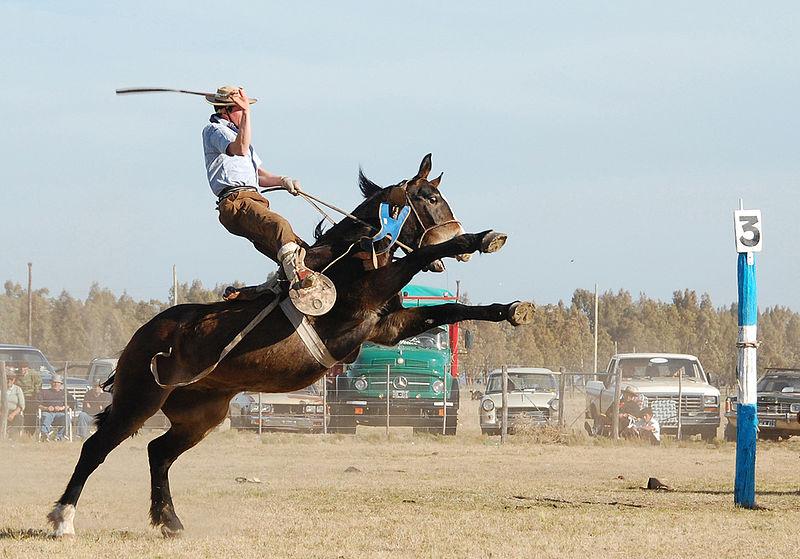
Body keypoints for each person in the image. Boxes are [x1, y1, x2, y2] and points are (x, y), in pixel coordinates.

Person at [202, 85, 311, 296]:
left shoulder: (239, 136)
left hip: (253, 200)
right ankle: (299, 278)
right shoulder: (215, 131)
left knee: (301, 249)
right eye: (240, 109)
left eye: (244, 109)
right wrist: (248, 115)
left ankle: (266, 292)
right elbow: (239, 148)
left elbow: (259, 176)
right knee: (279, 225)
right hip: (236, 202)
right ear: (225, 110)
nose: (243, 112)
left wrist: (284, 181)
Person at [38, 375, 76, 441]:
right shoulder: (44, 392)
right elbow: (38, 404)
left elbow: (72, 404)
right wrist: (46, 408)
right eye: (54, 382)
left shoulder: (65, 393)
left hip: (60, 414)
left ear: (61, 384)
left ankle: (59, 436)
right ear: (51, 383)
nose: (55, 384)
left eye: (58, 383)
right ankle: (44, 435)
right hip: (48, 413)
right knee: (45, 416)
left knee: (67, 417)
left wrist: (62, 408)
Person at [4, 370, 25, 437]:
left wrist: (12, 414)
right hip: (1, 411)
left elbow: (21, 405)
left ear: (14, 380)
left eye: (11, 379)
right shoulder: (1, 389)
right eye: (7, 379)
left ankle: (12, 438)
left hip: (14, 412)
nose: (9, 381)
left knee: (19, 418)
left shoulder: (18, 389)